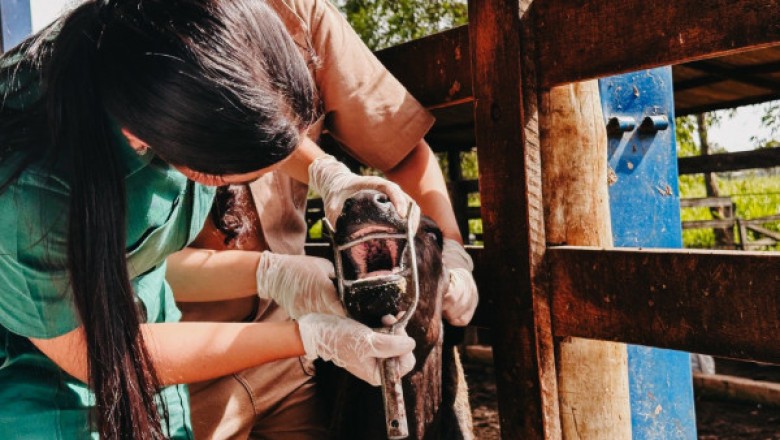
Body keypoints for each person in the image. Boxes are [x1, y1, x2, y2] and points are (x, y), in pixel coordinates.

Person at [0, 1, 419, 438]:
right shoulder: (29, 197)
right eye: (244, 173)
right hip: (48, 381)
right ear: (150, 139)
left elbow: (249, 108)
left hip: (148, 335)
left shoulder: (177, 56)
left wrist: (328, 174)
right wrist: (308, 338)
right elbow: (97, 355)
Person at [165, 0, 480, 438]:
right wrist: (273, 274)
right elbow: (116, 268)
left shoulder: (302, 18)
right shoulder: (139, 40)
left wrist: (452, 251)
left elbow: (402, 148)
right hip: (179, 349)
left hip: (297, 341)